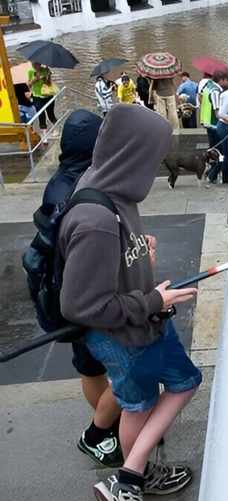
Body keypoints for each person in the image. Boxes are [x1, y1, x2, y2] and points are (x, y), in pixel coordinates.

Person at [57, 105, 201, 501]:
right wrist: (154, 298)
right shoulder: (96, 221)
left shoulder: (108, 184)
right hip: (123, 336)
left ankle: (133, 473)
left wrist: (137, 250)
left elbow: (111, 255)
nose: (156, 167)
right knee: (143, 401)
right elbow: (82, 306)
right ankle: (129, 478)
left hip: (144, 322)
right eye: (153, 158)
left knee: (162, 392)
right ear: (132, 156)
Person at [31, 110, 126, 467]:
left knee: (89, 368)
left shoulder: (58, 180)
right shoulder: (86, 188)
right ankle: (99, 432)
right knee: (130, 368)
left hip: (58, 292)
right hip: (87, 297)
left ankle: (113, 427)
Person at [201, 70, 228, 184]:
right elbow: (217, 112)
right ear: (223, 80)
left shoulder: (207, 86)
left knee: (215, 152)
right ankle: (213, 176)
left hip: (208, 124)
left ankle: (211, 173)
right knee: (222, 154)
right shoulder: (215, 91)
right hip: (215, 126)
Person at [28, 62, 57, 131]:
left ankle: (57, 130)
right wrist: (35, 79)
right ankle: (44, 135)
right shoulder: (30, 71)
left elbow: (49, 84)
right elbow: (29, 85)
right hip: (37, 97)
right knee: (41, 115)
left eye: (36, 64)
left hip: (48, 95)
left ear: (40, 64)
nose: (34, 65)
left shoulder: (46, 70)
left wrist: (46, 77)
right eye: (33, 63)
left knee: (51, 115)